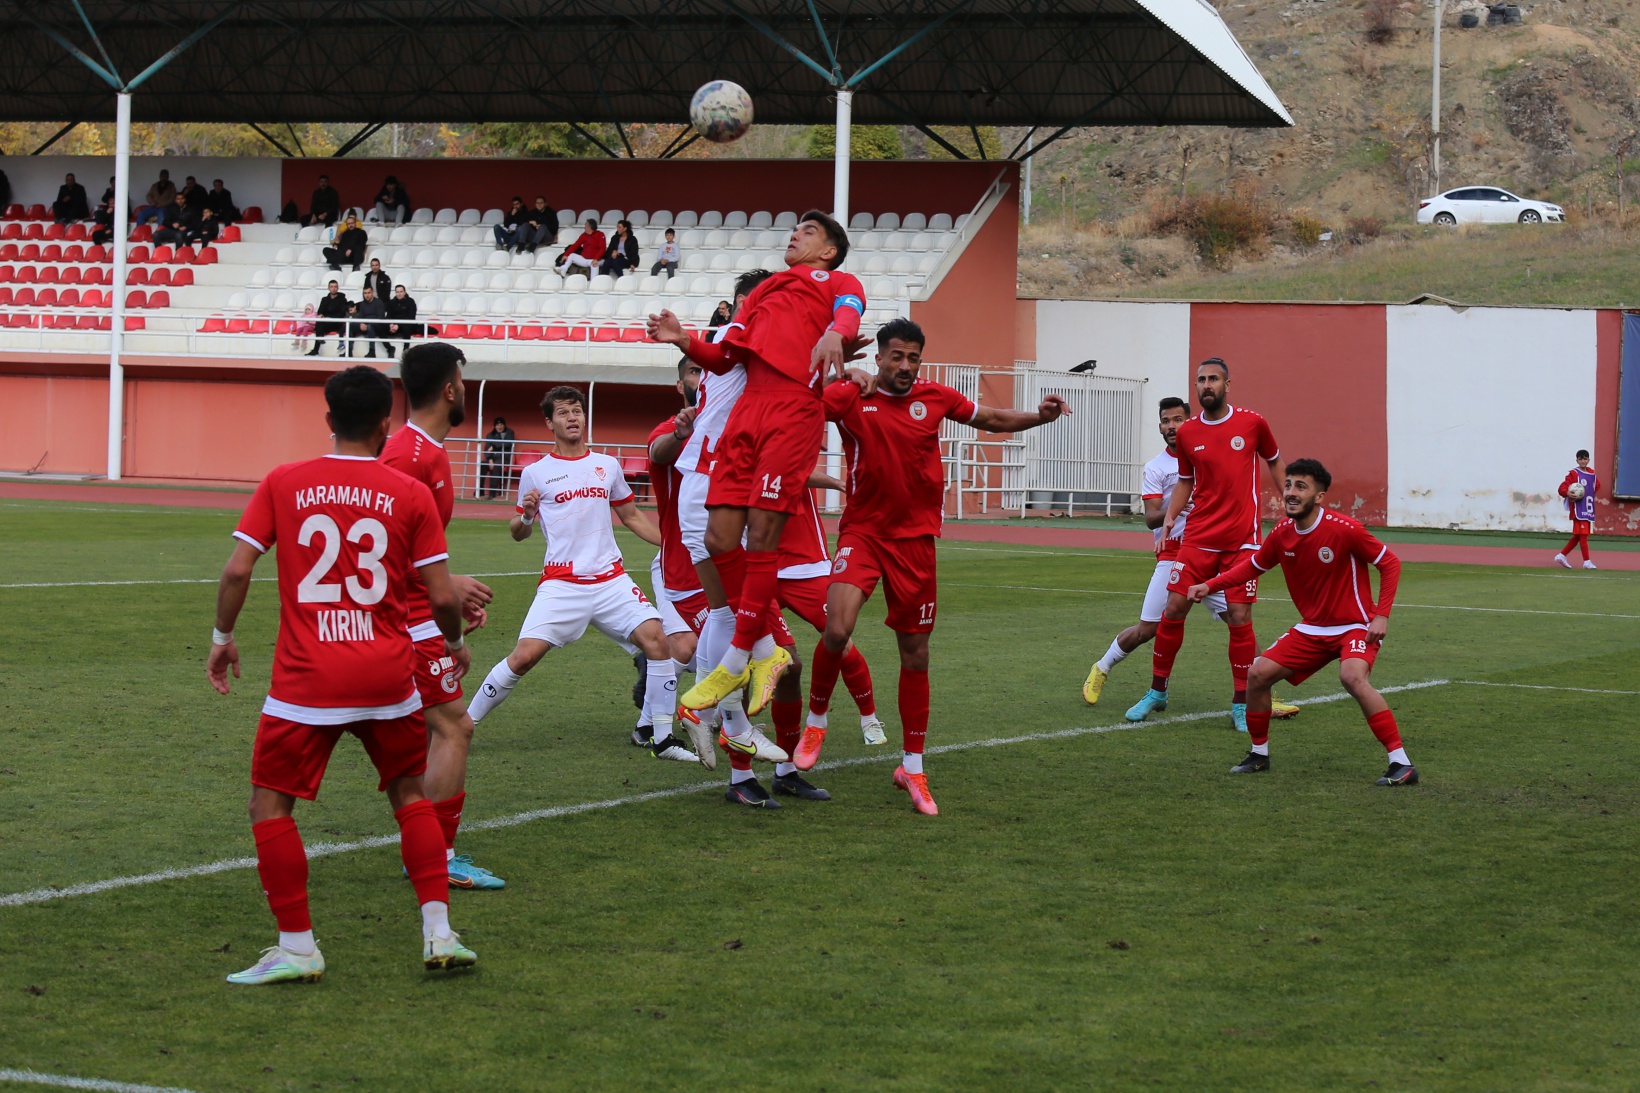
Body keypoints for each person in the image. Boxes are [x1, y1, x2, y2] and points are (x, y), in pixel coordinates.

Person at [205, 364, 478, 985]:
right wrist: (455, 643)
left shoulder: (284, 481)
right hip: (388, 675)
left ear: (329, 421)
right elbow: (440, 597)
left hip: (307, 681)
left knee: (270, 804)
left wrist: (223, 639)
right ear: (386, 423)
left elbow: (236, 572)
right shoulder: (407, 492)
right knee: (409, 795)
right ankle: (438, 933)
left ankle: (298, 946)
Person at [798, 319, 1068, 815]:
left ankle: (913, 768)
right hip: (862, 532)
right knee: (836, 627)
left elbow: (992, 420)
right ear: (879, 357)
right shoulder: (854, 396)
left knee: (915, 655)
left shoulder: (937, 397)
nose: (905, 366)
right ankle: (816, 721)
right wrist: (846, 379)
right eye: (896, 356)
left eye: (913, 358)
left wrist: (1040, 417)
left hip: (916, 543)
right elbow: (806, 404)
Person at [646, 211, 866, 762]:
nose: (796, 234)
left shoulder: (835, 283)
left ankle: (748, 661)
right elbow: (726, 355)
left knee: (757, 543)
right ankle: (751, 663)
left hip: (789, 412)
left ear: (830, 252)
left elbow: (850, 309)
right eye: (796, 229)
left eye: (810, 232)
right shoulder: (766, 292)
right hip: (748, 420)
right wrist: (684, 340)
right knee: (722, 544)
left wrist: (838, 335)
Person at [464, 387, 690, 761]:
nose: (572, 417)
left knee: (658, 641)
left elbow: (631, 515)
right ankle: (466, 724)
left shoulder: (607, 465)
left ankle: (661, 738)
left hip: (610, 580)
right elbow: (518, 532)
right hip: (562, 584)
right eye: (564, 412)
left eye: (577, 411)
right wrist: (526, 515)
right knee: (522, 658)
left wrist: (672, 547)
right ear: (549, 422)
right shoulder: (536, 472)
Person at [1185, 458, 1416, 786]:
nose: (1291, 493)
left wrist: (1381, 615)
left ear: (1319, 496)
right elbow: (1254, 565)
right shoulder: (1282, 532)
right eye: (1289, 485)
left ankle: (1401, 763)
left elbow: (1390, 563)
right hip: (1313, 627)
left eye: (1301, 487)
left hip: (1354, 625)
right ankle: (1258, 755)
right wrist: (1210, 585)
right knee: (1257, 674)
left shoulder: (1344, 529)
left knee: (1352, 677)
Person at [1083, 397, 1300, 720]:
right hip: (1177, 554)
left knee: (1237, 620)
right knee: (1148, 628)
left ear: (1190, 420)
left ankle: (1259, 695)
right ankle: (1103, 667)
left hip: (1222, 549)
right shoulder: (1157, 467)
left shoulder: (1210, 445)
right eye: (1166, 421)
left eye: (1178, 419)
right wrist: (1174, 510)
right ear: (1160, 426)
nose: (1173, 426)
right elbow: (1151, 517)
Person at [380, 343, 505, 888]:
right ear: (451, 388)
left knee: (437, 730)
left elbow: (411, 549)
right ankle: (437, 855)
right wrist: (443, 596)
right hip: (399, 620)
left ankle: (428, 849)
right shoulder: (408, 457)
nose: (465, 389)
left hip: (416, 614)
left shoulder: (422, 451)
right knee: (454, 726)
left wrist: (447, 590)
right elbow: (377, 549)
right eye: (462, 379)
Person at [1124, 357, 1282, 734]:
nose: (1206, 385)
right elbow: (1183, 481)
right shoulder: (1190, 433)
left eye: (1213, 379)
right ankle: (1157, 692)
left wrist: (1289, 504)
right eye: (1201, 380)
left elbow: (1274, 461)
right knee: (1174, 608)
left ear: (1228, 384)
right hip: (1198, 537)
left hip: (1242, 541)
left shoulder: (1252, 423)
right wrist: (1168, 519)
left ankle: (1241, 703)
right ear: (1195, 387)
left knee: (1240, 618)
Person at [637, 359, 718, 763]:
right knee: (692, 645)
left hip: (723, 558)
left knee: (718, 643)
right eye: (693, 372)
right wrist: (680, 432)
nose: (701, 379)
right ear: (679, 384)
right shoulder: (669, 430)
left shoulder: (724, 425)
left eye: (708, 371)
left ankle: (665, 713)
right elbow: (657, 451)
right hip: (679, 566)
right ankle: (656, 730)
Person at [1554, 449, 1599, 569]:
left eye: (1585, 459)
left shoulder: (1592, 474)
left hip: (1587, 509)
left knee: (1579, 536)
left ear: (1588, 460)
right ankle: (1587, 561)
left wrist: (1587, 493)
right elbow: (1562, 487)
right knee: (1583, 535)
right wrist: (1568, 493)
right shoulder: (1574, 474)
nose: (1583, 461)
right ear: (1577, 460)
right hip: (1578, 509)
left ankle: (1562, 555)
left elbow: (1596, 486)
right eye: (1580, 459)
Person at [307, 280, 350, 356]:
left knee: (319, 326)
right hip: (326, 323)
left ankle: (319, 341)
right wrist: (321, 315)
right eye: (331, 287)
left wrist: (328, 317)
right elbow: (320, 311)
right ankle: (317, 346)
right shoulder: (324, 299)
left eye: (335, 287)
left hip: (336, 323)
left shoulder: (343, 299)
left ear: (338, 288)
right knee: (319, 323)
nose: (333, 288)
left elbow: (341, 314)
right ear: (328, 288)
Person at [480, 416, 516, 500]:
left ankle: (492, 493)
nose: (499, 426)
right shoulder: (490, 435)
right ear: (495, 426)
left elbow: (507, 444)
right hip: (492, 458)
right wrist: (490, 460)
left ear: (504, 425)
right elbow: (487, 449)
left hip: (505, 458)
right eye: (498, 425)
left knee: (497, 466)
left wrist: (494, 446)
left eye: (501, 424)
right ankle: (480, 490)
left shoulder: (509, 432)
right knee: (482, 464)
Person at [350, 284, 388, 358]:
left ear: (372, 292)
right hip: (366, 325)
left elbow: (380, 318)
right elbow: (361, 316)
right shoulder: (362, 304)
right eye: (365, 293)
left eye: (368, 293)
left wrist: (366, 323)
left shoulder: (379, 302)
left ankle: (372, 351)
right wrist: (361, 323)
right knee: (351, 325)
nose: (367, 295)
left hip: (377, 326)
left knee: (370, 326)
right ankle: (349, 350)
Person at [385, 284, 419, 353]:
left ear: (405, 292)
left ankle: (406, 350)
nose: (399, 294)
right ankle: (389, 348)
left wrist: (398, 325)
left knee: (407, 327)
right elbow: (389, 316)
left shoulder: (410, 302)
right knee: (380, 327)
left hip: (407, 325)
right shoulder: (391, 302)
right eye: (397, 292)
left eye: (401, 292)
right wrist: (391, 324)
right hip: (394, 325)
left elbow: (411, 317)